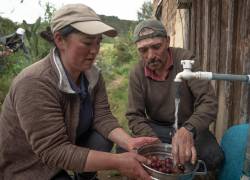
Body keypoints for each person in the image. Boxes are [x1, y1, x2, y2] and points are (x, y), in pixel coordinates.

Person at [0, 4, 158, 180]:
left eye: (98, 42)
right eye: (87, 42)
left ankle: (84, 175)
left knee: (102, 138)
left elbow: (102, 116)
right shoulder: (35, 82)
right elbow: (53, 150)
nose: (94, 51)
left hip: (66, 145)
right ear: (60, 40)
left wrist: (129, 142)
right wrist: (118, 161)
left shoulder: (92, 74)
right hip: (31, 166)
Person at [126, 18, 224, 177]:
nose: (150, 55)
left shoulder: (186, 61)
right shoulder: (137, 73)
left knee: (214, 158)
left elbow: (208, 102)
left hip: (189, 125)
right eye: (143, 50)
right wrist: (154, 143)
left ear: (167, 42)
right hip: (156, 127)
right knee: (125, 150)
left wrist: (189, 130)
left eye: (156, 47)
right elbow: (134, 115)